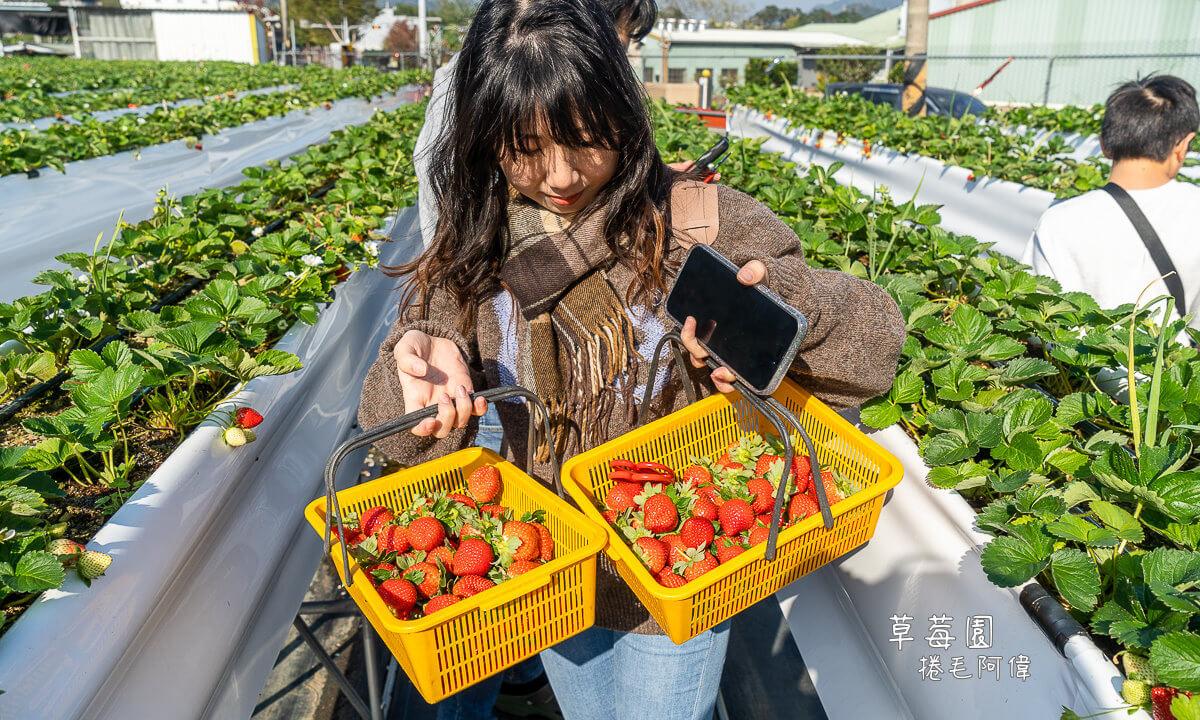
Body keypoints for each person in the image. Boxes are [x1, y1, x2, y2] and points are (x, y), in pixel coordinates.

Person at [358, 0, 905, 716]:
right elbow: (396, 437)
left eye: (586, 139)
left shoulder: (696, 222)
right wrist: (414, 375)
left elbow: (879, 340)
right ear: (487, 139)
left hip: (676, 574)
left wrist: (788, 305)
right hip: (558, 571)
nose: (559, 175)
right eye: (525, 147)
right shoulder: (475, 249)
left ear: (625, 112)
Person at [413, 0, 659, 249]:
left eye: (586, 140)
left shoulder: (664, 218)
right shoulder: (483, 80)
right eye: (527, 146)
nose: (562, 180)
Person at [1022, 75, 1200, 327]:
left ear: (1104, 145)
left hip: (1079, 365)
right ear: (1183, 145)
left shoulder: (1059, 221)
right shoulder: (1195, 211)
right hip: (1172, 365)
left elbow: (1034, 318)